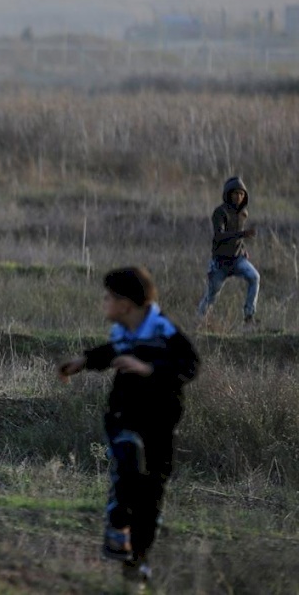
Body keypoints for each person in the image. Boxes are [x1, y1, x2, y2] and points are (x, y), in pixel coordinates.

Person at [58, 267, 199, 589]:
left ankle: (137, 561)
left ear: (125, 303)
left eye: (108, 297)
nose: (103, 302)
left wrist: (148, 368)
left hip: (161, 422)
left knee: (151, 494)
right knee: (127, 460)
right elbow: (111, 353)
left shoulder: (164, 331)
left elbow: (190, 365)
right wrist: (82, 362)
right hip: (124, 416)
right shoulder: (123, 332)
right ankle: (118, 522)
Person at [197, 176, 259, 326]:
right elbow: (220, 235)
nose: (239, 197)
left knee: (254, 277)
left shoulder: (243, 213)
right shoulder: (220, 212)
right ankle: (199, 322)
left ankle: (249, 316)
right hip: (220, 263)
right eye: (235, 193)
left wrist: (243, 249)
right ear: (228, 194)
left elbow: (238, 233)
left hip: (237, 259)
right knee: (211, 296)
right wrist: (242, 235)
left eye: (242, 194)